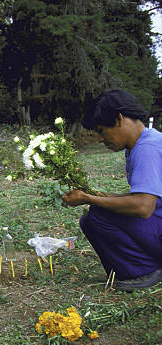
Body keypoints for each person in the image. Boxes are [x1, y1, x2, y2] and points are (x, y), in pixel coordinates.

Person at [62, 89, 162, 292]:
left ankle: (143, 271)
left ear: (119, 119)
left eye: (101, 130)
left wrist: (90, 198)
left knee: (97, 217)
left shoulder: (147, 149)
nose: (100, 139)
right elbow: (141, 198)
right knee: (95, 215)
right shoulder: (144, 143)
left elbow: (142, 207)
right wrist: (89, 195)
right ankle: (145, 265)